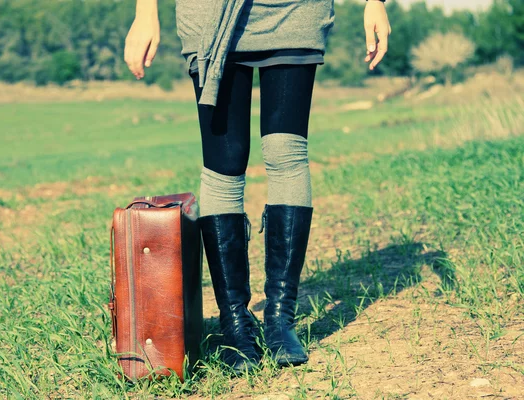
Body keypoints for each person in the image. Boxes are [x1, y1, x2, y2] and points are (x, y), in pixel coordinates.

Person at [124, 0, 391, 374]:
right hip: (211, 15)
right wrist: (145, 12)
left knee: (287, 151)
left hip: (295, 10)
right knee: (224, 162)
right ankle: (234, 323)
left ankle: (280, 318)